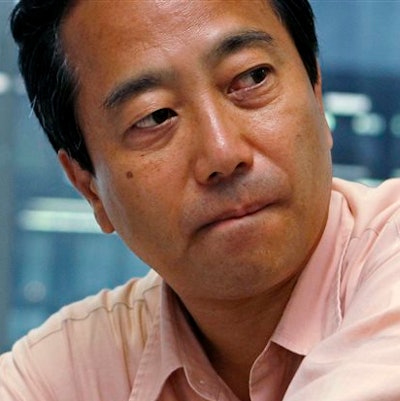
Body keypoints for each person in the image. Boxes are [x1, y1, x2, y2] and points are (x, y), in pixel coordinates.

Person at [2, 0, 400, 400]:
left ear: (316, 91)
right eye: (155, 116)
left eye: (252, 77)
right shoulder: (57, 373)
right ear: (88, 185)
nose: (223, 154)